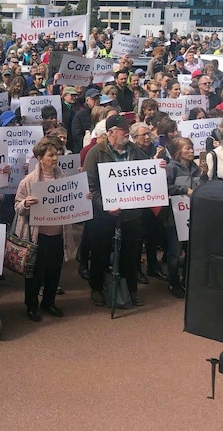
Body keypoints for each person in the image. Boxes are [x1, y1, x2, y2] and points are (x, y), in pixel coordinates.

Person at [84, 114, 145, 307]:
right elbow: (90, 187)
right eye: (122, 129)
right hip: (103, 215)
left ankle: (130, 289)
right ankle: (97, 288)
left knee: (131, 253)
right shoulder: (96, 153)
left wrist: (159, 167)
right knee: (100, 251)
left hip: (131, 213)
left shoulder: (134, 150)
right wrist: (105, 206)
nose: (127, 132)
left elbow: (147, 171)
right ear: (111, 133)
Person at [14, 139, 74, 321]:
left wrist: (83, 198)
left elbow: (73, 201)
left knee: (54, 271)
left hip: (58, 234)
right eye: (51, 155)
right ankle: (31, 306)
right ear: (40, 158)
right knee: (35, 273)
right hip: (37, 236)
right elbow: (17, 206)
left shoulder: (64, 178)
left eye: (57, 154)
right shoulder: (28, 181)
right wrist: (26, 203)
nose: (56, 158)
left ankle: (49, 302)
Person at [164, 138, 207, 298]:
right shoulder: (170, 168)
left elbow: (202, 188)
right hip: (175, 217)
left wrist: (204, 175)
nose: (192, 151)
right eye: (188, 149)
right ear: (178, 152)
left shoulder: (196, 168)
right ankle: (173, 281)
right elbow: (166, 187)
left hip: (193, 216)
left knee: (191, 250)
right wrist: (184, 189)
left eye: (192, 148)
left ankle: (186, 280)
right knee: (175, 252)